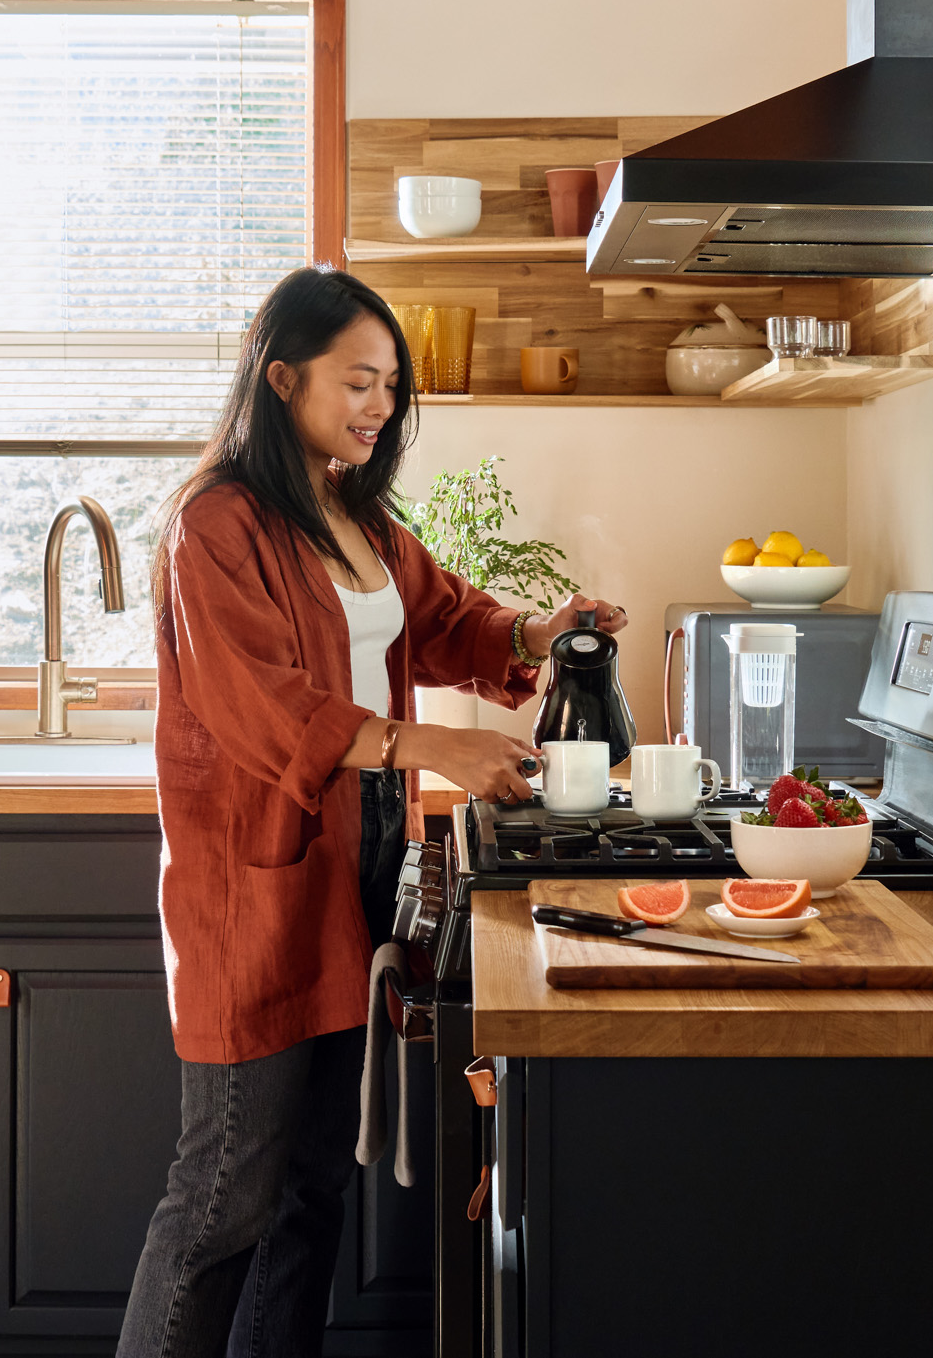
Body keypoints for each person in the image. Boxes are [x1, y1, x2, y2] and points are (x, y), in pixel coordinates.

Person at [117, 266, 627, 1357]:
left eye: (391, 385)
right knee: (222, 1201)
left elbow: (445, 620)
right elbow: (265, 706)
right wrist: (429, 742)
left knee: (310, 1195)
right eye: (359, 379)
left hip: (358, 875)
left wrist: (540, 633)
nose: (378, 406)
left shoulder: (353, 513)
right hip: (254, 893)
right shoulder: (215, 524)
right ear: (282, 373)